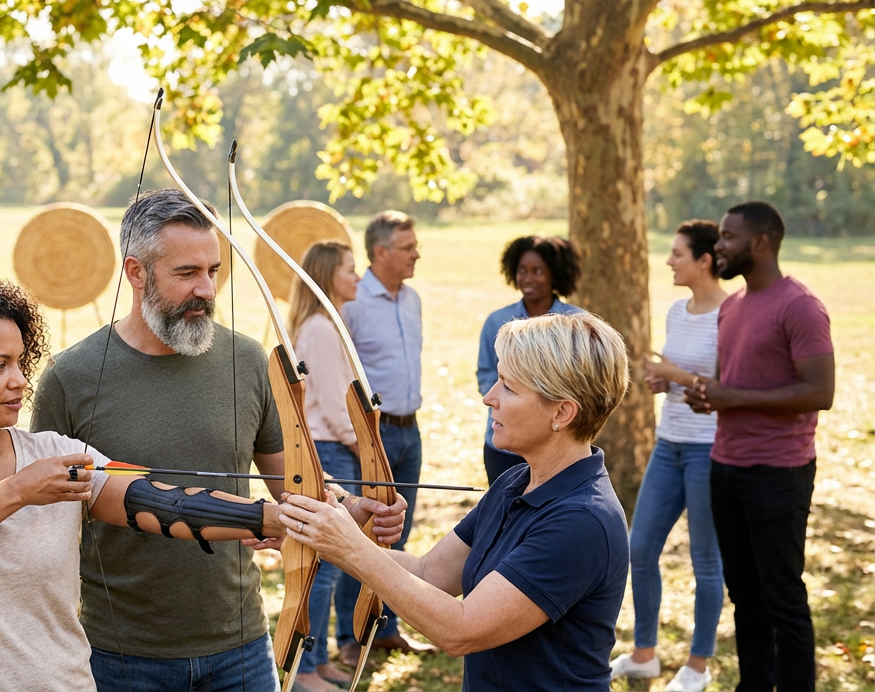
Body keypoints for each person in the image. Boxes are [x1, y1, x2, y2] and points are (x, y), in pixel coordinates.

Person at [0, 277, 349, 690]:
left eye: (20, 362)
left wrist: (274, 516)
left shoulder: (54, 456)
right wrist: (15, 492)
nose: (20, 380)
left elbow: (163, 504)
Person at [31, 189, 406, 691]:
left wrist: (351, 509)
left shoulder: (248, 361)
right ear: (136, 273)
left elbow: (293, 484)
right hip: (122, 654)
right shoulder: (70, 379)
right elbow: (45, 521)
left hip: (241, 649)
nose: (207, 289)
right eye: (186, 273)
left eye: (213, 271)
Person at [280, 312, 632, 691]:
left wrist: (350, 548)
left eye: (509, 388)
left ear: (562, 412)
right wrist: (327, 532)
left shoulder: (581, 520)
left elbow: (461, 630)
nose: (489, 397)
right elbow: (429, 573)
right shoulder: (517, 480)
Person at [685, 201, 835, 692]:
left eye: (728, 237)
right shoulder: (733, 306)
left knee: (782, 597)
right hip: (725, 468)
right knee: (745, 595)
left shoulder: (800, 306)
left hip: (779, 474)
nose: (719, 246)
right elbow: (737, 384)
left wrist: (733, 396)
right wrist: (710, 396)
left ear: (760, 243)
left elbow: (820, 391)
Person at [611, 220, 727, 691]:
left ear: (704, 260)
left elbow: (723, 387)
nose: (668, 261)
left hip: (709, 447)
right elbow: (682, 380)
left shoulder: (731, 314)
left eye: (677, 253)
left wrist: (670, 371)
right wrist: (662, 381)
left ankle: (698, 666)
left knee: (705, 559)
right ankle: (644, 655)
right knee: (639, 547)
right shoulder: (678, 311)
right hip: (669, 443)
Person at [337, 210, 433, 665]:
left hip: (409, 430)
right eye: (408, 246)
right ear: (380, 252)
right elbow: (336, 376)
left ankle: (386, 628)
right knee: (360, 533)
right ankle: (349, 636)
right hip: (371, 437)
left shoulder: (412, 298)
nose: (417, 253)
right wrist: (358, 440)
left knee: (399, 531)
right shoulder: (351, 303)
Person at [287, 241, 363, 691]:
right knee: (323, 565)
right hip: (330, 449)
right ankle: (306, 671)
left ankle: (318, 661)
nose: (357, 277)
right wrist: (367, 450)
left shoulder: (329, 324)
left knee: (331, 565)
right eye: (350, 270)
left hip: (337, 447)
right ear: (328, 275)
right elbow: (336, 408)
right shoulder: (318, 328)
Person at [476, 235, 585, 485]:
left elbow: (582, 385)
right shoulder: (496, 322)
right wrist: (513, 399)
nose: (528, 278)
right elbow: (485, 374)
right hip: (504, 448)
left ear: (555, 274)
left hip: (558, 446)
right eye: (522, 270)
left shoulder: (576, 324)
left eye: (537, 271)